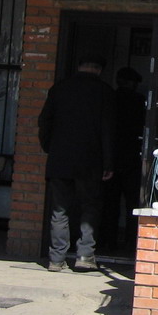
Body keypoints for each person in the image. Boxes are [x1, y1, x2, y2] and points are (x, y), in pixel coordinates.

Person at [38, 55, 115, 272]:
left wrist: (50, 147)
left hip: (60, 160)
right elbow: (108, 129)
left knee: (59, 210)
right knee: (90, 207)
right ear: (99, 69)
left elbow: (44, 121)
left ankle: (56, 259)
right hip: (91, 161)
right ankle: (85, 255)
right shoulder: (105, 92)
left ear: (79, 66)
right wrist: (108, 162)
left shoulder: (59, 89)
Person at [103, 65, 147, 253]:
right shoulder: (139, 101)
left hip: (111, 157)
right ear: (133, 84)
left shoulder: (109, 99)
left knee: (110, 204)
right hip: (132, 158)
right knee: (132, 203)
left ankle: (108, 242)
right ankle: (131, 242)